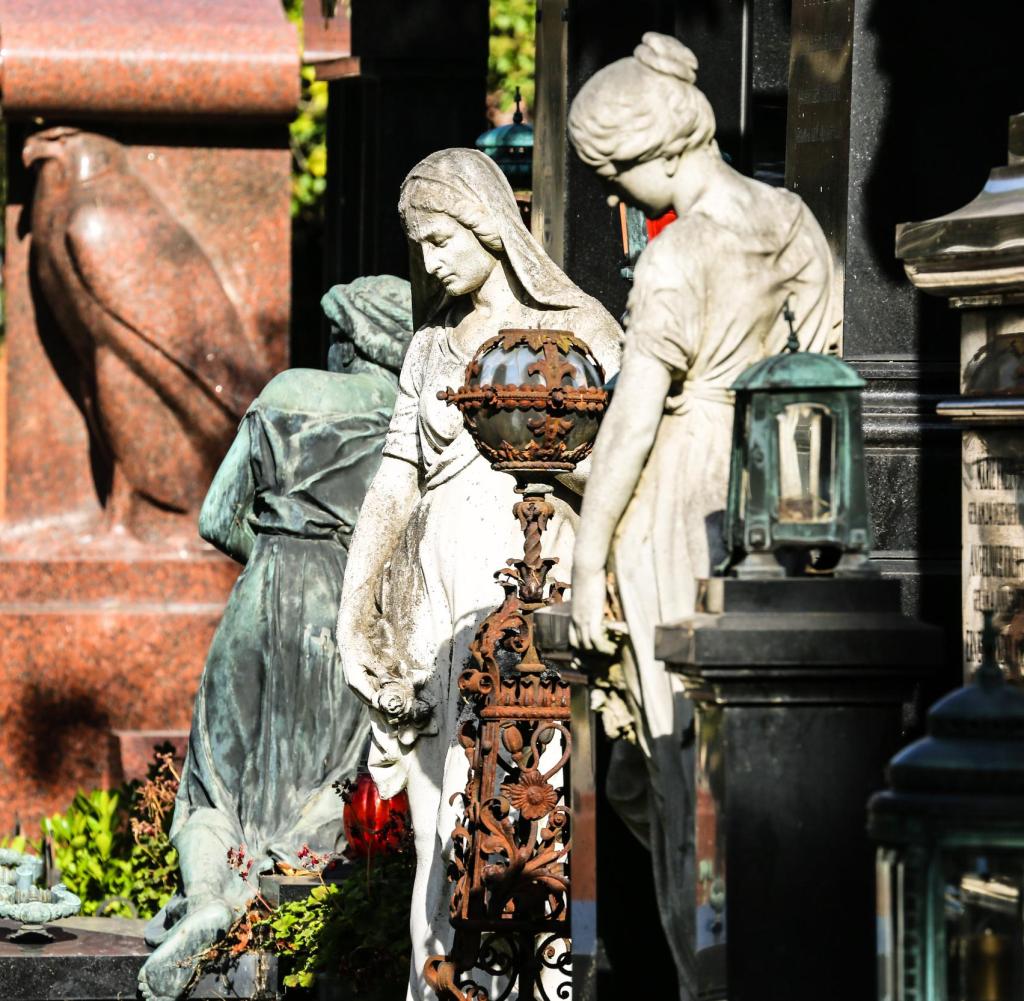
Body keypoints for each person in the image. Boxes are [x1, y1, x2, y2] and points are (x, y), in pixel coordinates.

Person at [566, 33, 838, 1001]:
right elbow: (830, 351)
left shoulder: (674, 258)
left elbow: (632, 423)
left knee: (684, 772)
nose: (612, 194)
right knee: (761, 766)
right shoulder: (793, 221)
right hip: (774, 487)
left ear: (659, 151)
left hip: (681, 501)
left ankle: (704, 973)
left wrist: (586, 554)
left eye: (615, 172)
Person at [337, 148, 621, 999]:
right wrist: (354, 614)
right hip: (437, 603)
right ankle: (442, 986)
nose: (429, 262)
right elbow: (394, 483)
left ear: (490, 224)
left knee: (537, 816)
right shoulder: (428, 349)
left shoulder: (583, 331)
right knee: (438, 824)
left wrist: (539, 446)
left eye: (439, 238)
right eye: (418, 244)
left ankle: (548, 986)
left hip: (532, 598)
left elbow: (617, 468)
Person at [138, 276, 414, 1001]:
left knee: (212, 783)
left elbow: (215, 516)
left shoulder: (287, 389)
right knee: (331, 779)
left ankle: (206, 901)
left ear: (346, 342)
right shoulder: (407, 417)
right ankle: (277, 915)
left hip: (261, 597)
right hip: (344, 610)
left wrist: (270, 559)